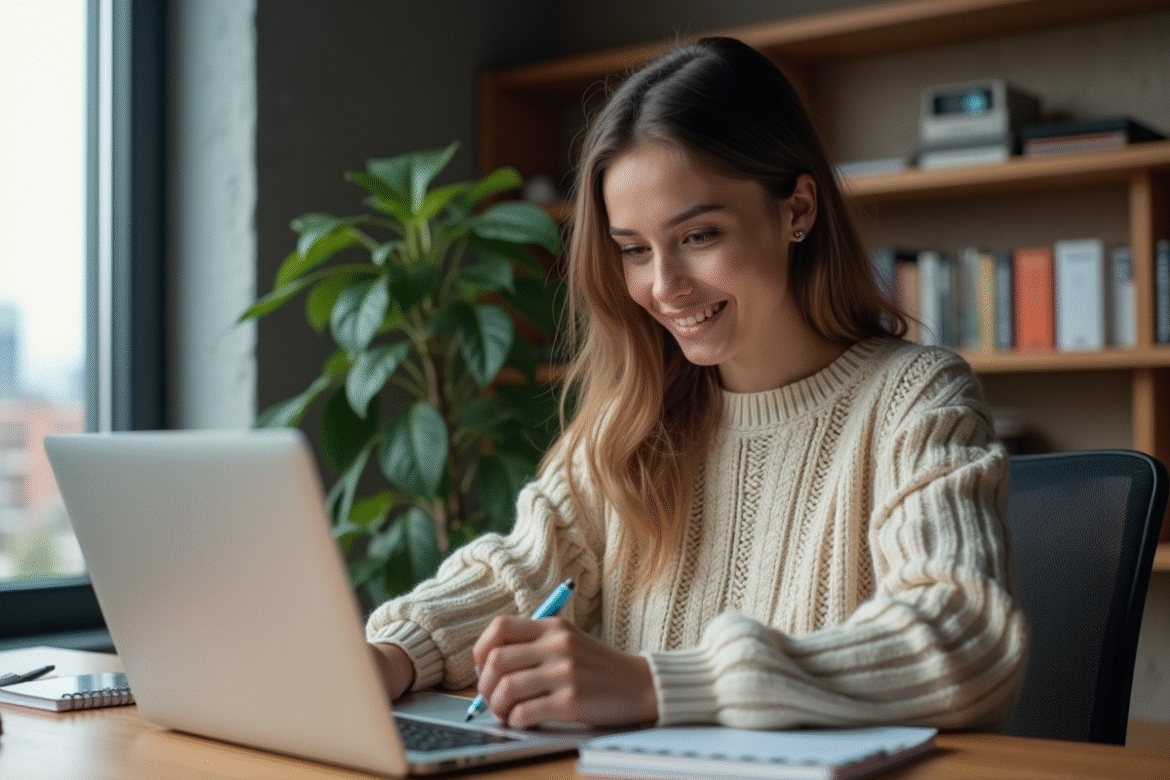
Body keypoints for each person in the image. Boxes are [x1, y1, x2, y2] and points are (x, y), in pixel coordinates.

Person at [367, 36, 1028, 732]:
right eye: (632, 250)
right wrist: (394, 653)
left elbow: (964, 635)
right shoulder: (632, 420)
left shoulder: (915, 399)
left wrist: (661, 684)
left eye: (699, 236)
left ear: (797, 210)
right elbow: (520, 572)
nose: (663, 287)